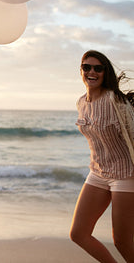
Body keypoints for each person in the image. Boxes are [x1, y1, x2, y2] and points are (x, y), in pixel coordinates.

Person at [70, 50, 134, 263]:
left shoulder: (116, 102)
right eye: (87, 67)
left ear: (105, 72)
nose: (92, 72)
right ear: (81, 71)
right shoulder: (81, 103)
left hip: (125, 175)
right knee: (78, 234)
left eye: (98, 68)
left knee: (122, 241)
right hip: (97, 172)